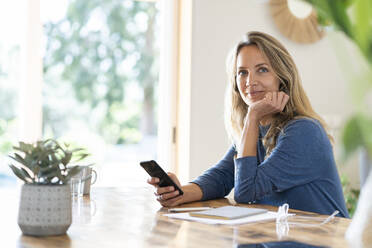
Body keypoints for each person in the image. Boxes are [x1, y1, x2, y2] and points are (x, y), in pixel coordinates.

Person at [147, 31, 349, 218]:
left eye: (262, 70)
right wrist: (179, 193)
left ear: (282, 78)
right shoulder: (255, 132)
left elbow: (246, 191)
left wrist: (252, 116)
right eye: (242, 72)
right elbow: (222, 177)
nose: (249, 81)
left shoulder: (304, 131)